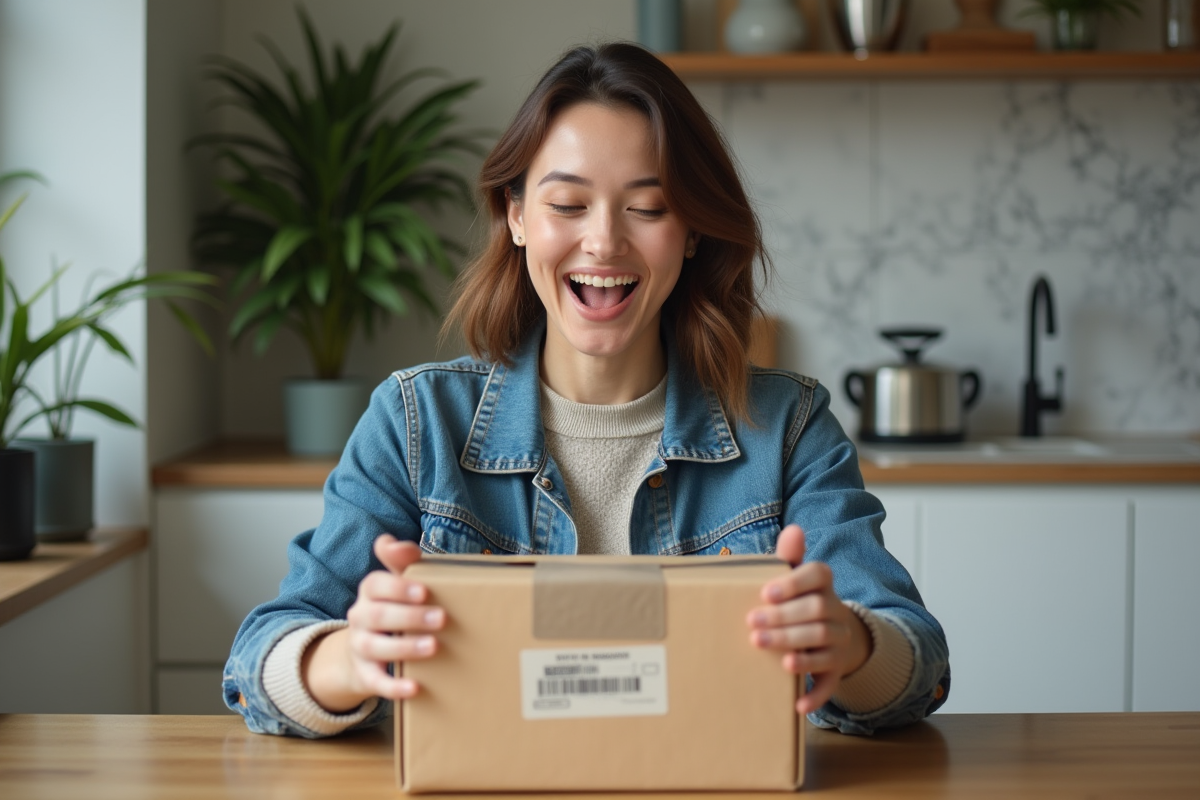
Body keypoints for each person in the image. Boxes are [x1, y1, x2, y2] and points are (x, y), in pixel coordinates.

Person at [224, 42, 950, 739]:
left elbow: (919, 663)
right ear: (515, 216)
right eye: (567, 205)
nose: (603, 243)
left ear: (693, 229)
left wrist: (848, 641)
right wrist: (353, 654)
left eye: (648, 207)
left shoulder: (789, 427)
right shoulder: (415, 422)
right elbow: (260, 659)